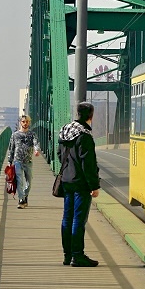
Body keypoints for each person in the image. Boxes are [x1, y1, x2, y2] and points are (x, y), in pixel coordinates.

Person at [58, 101, 101, 267]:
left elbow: (59, 154)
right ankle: (78, 255)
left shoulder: (65, 131)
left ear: (77, 114)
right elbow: (88, 164)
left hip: (66, 181)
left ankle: (67, 255)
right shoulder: (84, 135)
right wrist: (94, 186)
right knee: (78, 219)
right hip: (81, 183)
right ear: (90, 115)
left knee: (66, 218)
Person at [6, 115, 40, 209]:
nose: (25, 123)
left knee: (29, 182)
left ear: (29, 122)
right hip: (18, 161)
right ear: (20, 122)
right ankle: (21, 200)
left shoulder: (32, 134)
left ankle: (25, 196)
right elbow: (11, 148)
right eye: (24, 121)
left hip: (28, 161)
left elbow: (36, 143)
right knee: (19, 181)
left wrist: (36, 150)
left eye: (27, 122)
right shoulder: (15, 135)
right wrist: (10, 161)